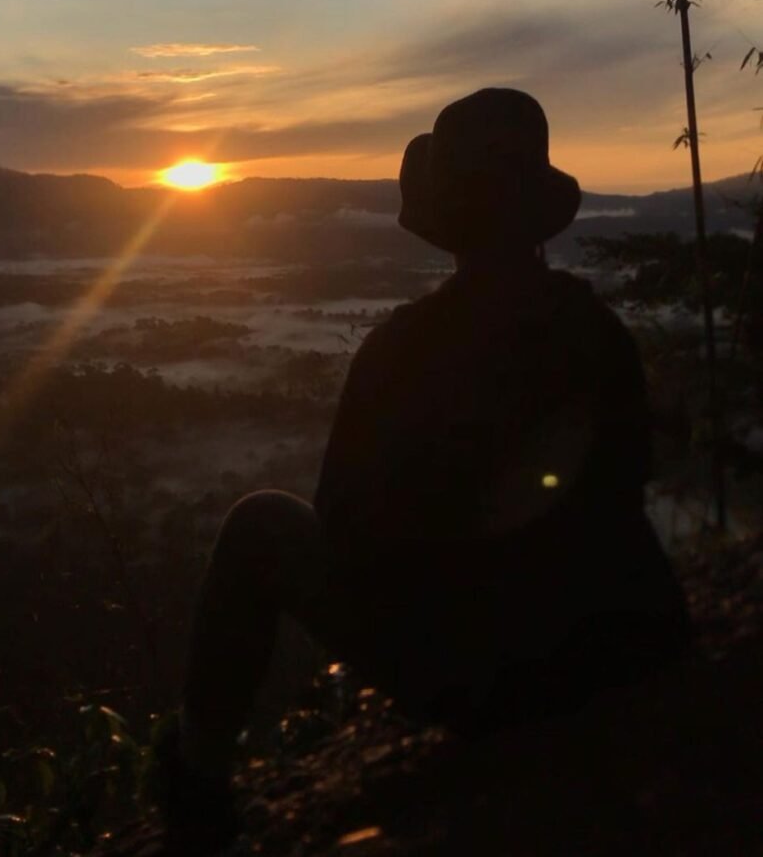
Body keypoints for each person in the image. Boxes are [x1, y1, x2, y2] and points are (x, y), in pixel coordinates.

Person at [164, 88, 691, 850]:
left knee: (259, 525)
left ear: (444, 218)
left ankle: (196, 782)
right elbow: (623, 488)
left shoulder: (403, 351)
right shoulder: (595, 329)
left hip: (485, 678)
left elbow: (345, 532)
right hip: (616, 649)